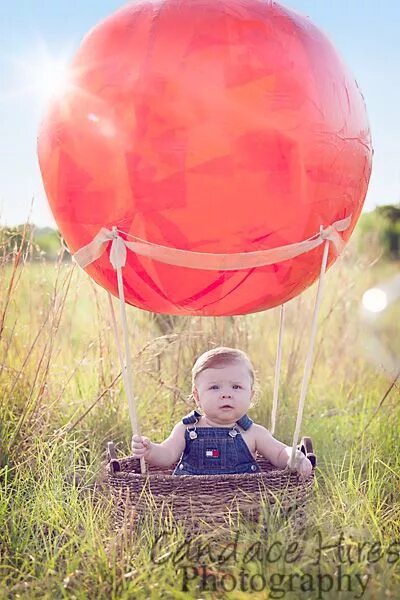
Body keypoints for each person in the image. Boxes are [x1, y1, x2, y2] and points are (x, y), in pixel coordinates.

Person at [132, 347, 313, 478]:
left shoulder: (253, 432)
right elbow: (167, 455)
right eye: (214, 387)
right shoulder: (186, 429)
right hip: (191, 501)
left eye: (236, 387)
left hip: (243, 502)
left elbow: (280, 452)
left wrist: (294, 457)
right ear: (197, 396)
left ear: (250, 395)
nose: (226, 394)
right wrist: (150, 450)